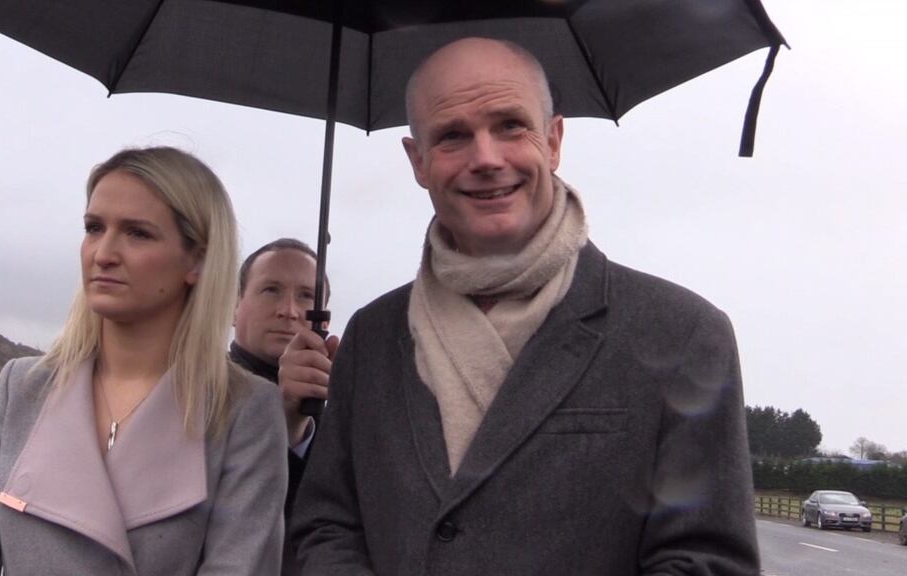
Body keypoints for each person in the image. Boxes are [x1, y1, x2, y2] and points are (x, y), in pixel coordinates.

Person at [292, 38, 759, 575]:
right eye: (452, 136)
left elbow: (706, 561)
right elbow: (325, 525)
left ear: (554, 140)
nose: (486, 158)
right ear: (417, 161)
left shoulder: (682, 335)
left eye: (510, 126)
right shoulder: (372, 336)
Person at [0, 147, 287, 575]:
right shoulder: (21, 387)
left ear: (198, 261)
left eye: (138, 233)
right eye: (94, 228)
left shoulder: (243, 411)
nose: (104, 253)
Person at [230, 238, 338, 576]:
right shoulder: (191, 393)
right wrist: (284, 424)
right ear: (234, 307)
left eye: (306, 296)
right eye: (271, 290)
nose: (289, 310)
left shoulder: (345, 423)